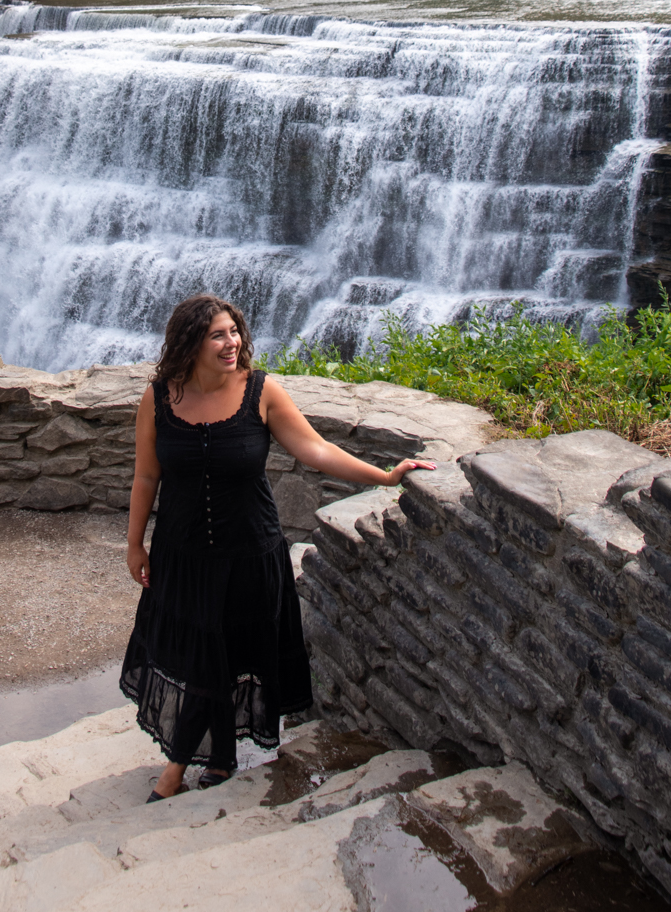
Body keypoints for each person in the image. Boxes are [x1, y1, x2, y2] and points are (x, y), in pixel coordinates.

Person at [119, 293, 437, 801]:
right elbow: (146, 474)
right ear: (190, 343)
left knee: (221, 653)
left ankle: (175, 769)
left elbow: (316, 448)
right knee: (203, 654)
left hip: (249, 553)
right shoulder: (161, 397)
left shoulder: (261, 392)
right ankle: (220, 760)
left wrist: (384, 475)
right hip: (183, 554)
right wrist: (135, 544)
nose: (232, 343)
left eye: (235, 332)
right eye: (217, 335)